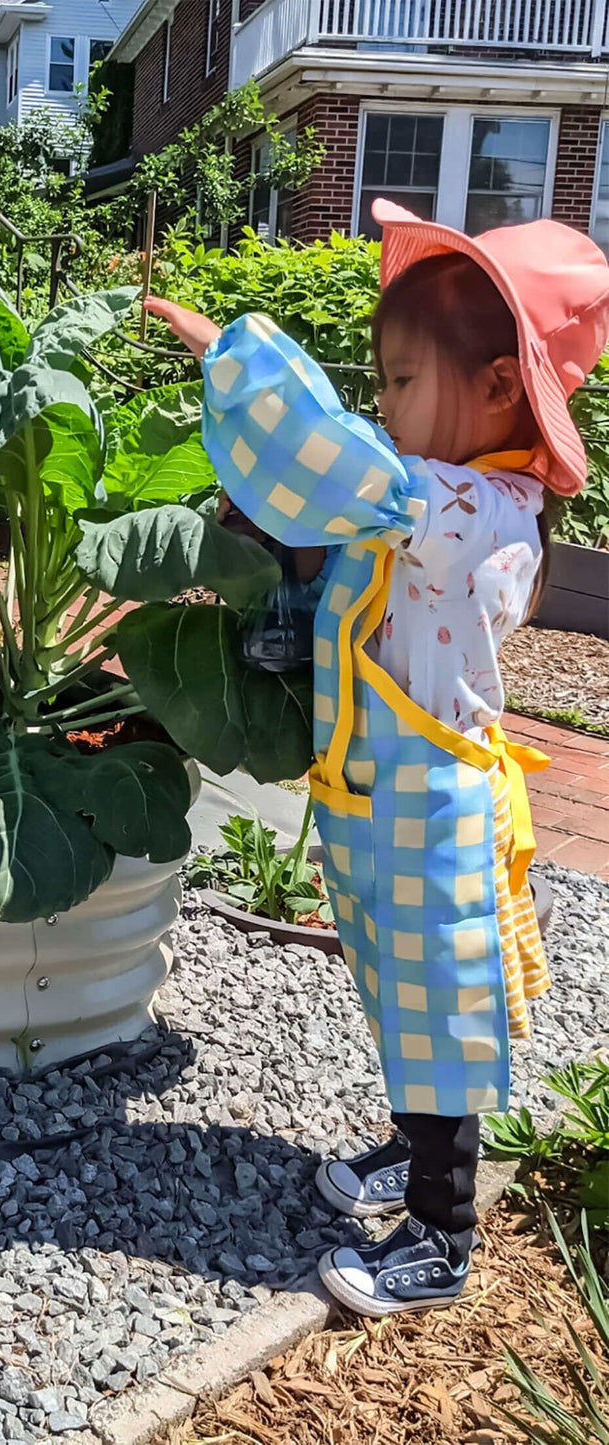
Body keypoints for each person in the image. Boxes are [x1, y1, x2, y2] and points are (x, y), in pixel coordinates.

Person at [145, 199, 609, 1318]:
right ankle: (412, 1148)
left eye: (400, 382)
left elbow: (347, 474)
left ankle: (441, 1236)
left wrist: (238, 357)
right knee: (396, 995)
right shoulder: (432, 495)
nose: (384, 406)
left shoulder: (476, 511)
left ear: (499, 388)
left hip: (437, 803)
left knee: (441, 1009)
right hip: (378, 791)